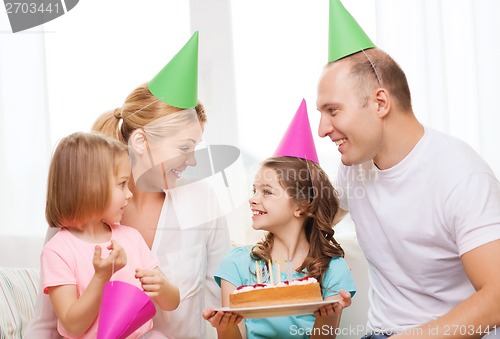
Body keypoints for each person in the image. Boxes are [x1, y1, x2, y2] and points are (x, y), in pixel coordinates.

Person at [26, 31, 231, 339]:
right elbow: (48, 320)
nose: (192, 162)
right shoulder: (80, 208)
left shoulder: (203, 200)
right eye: (184, 147)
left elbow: (220, 304)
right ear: (140, 141)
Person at [316, 0, 500, 337]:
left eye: (333, 111)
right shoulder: (354, 169)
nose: (322, 129)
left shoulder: (461, 175)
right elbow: (313, 222)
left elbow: (497, 297)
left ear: (380, 103)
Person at [203, 100, 355, 339]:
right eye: (254, 190)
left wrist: (328, 320)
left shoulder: (331, 270)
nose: (252, 199)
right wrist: (225, 327)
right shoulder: (237, 264)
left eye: (267, 191)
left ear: (302, 205)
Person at [42, 132, 180, 338]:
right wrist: (101, 277)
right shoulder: (57, 251)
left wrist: (163, 287)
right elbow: (73, 325)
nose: (130, 193)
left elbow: (172, 302)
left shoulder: (131, 238)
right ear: (90, 187)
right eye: (122, 184)